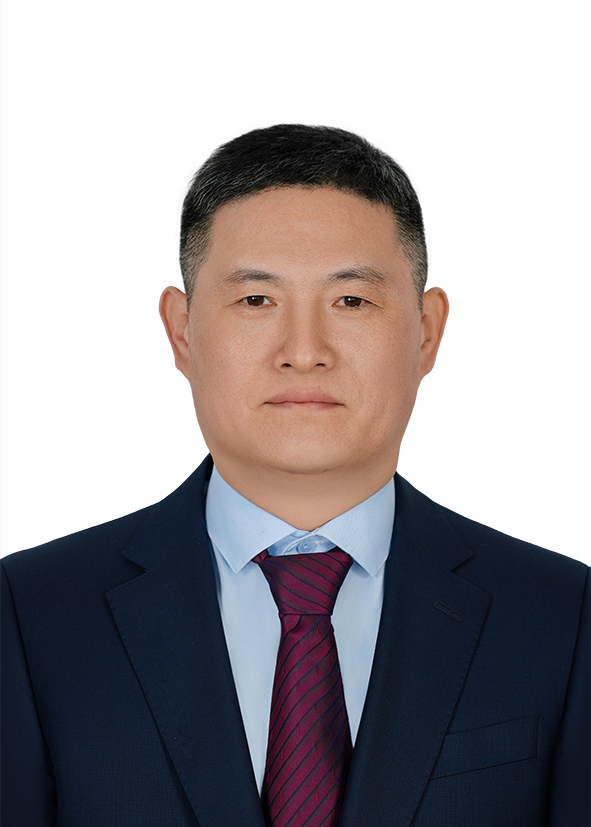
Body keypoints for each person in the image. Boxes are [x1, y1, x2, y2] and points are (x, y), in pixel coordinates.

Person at [2, 124, 588, 827]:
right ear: (182, 331)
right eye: (256, 300)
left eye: (351, 301)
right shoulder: (29, 614)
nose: (304, 352)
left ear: (426, 331)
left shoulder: (563, 618)